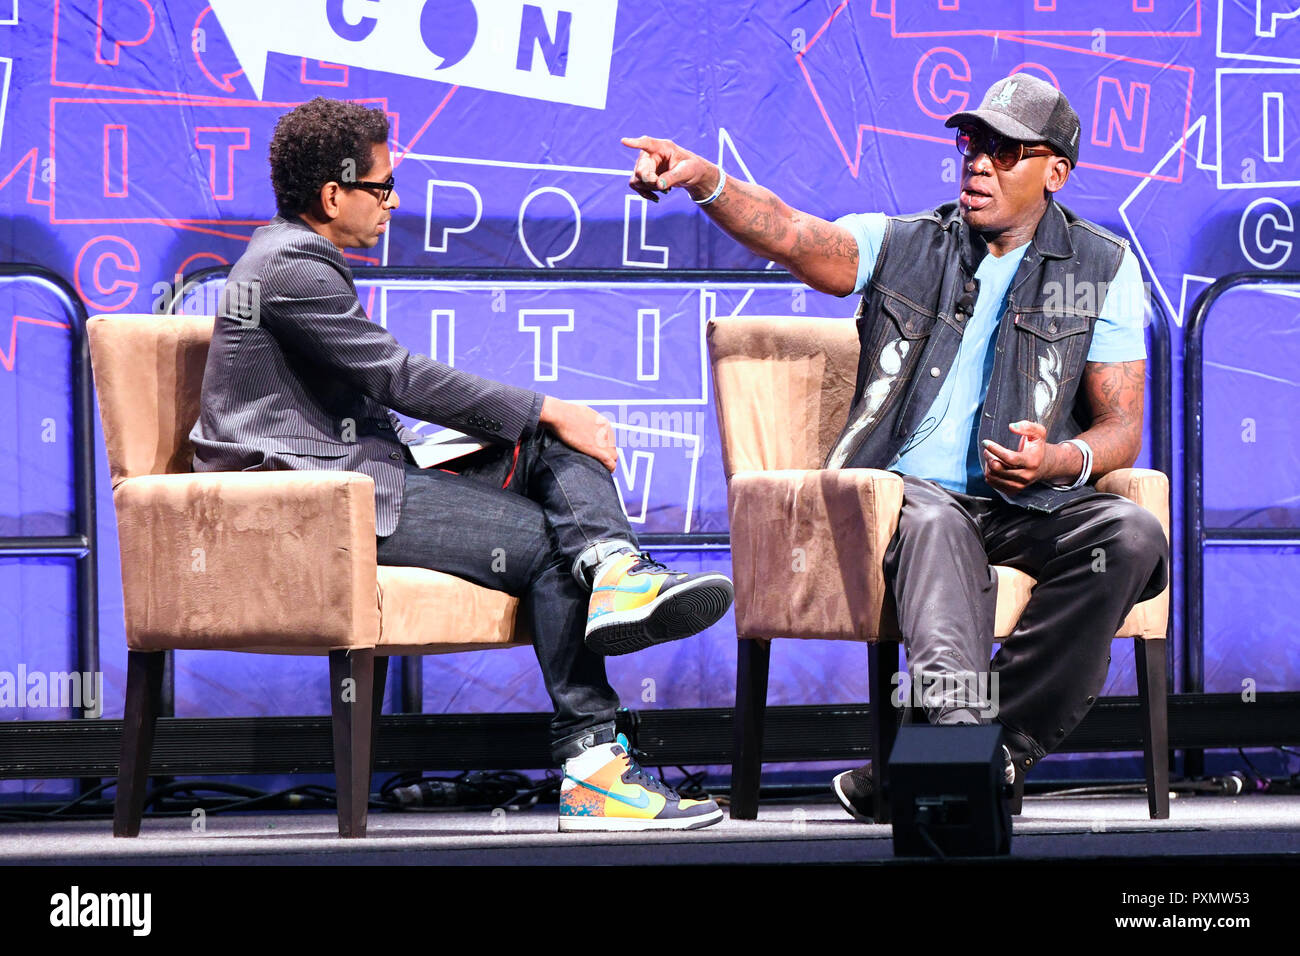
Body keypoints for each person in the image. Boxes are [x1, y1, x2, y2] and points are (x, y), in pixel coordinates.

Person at [622, 72, 1169, 818]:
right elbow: (794, 234)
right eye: (972, 143)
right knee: (939, 524)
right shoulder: (908, 244)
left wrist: (1062, 460)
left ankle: (961, 759)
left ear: (1056, 171)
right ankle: (955, 750)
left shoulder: (1100, 268)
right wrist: (710, 183)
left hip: (1025, 500)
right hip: (902, 498)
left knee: (1132, 532)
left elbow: (1121, 427)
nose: (978, 162)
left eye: (1005, 151)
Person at [189, 96, 733, 832]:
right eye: (381, 188)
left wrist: (542, 420)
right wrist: (547, 404)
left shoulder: (287, 256)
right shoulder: (288, 268)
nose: (393, 201)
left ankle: (615, 571)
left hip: (359, 475)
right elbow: (398, 377)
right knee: (548, 542)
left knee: (548, 447)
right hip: (313, 505)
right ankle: (595, 769)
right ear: (332, 195)